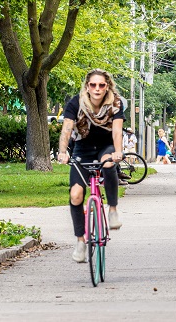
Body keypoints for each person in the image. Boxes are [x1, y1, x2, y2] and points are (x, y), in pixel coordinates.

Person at [56, 68, 125, 264]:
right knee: (76, 195)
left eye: (101, 85)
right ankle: (80, 241)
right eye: (93, 85)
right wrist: (63, 151)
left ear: (107, 86)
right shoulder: (76, 103)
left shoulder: (116, 103)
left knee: (109, 162)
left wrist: (118, 151)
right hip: (83, 148)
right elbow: (67, 129)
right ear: (87, 86)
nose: (97, 88)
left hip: (106, 146)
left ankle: (112, 210)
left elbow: (117, 131)